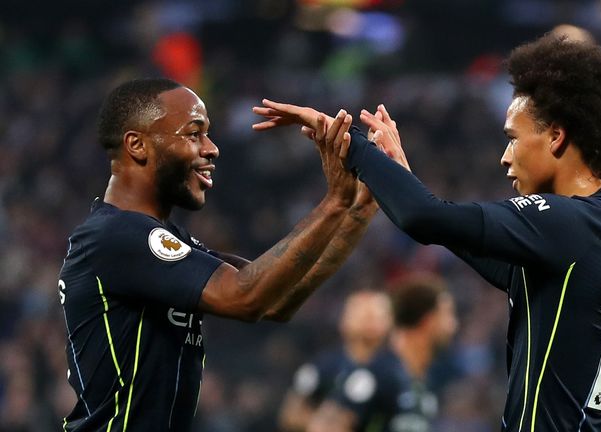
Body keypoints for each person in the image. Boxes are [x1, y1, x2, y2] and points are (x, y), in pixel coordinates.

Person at [254, 33, 601, 431]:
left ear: (557, 137)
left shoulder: (570, 222)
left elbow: (424, 218)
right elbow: (464, 237)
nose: (506, 157)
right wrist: (404, 178)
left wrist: (352, 144)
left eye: (513, 138)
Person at [57, 78, 377, 431]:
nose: (211, 149)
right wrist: (334, 203)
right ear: (137, 145)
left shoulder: (163, 241)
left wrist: (356, 210)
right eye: (194, 134)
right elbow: (245, 296)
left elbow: (275, 299)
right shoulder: (114, 236)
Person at [307, 273, 458, 432]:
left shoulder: (423, 382)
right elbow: (324, 428)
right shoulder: (379, 374)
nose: (453, 325)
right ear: (428, 321)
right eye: (448, 315)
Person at [278, 289, 393, 431]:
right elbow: (290, 414)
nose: (369, 319)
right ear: (344, 320)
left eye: (377, 314)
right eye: (362, 312)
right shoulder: (324, 365)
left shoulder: (396, 369)